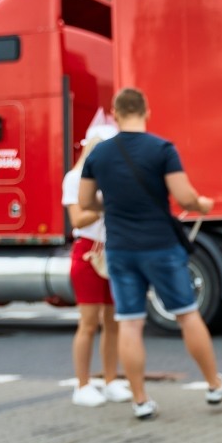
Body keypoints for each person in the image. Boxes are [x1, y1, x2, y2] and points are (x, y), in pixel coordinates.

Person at [79, 87, 222, 420]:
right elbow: (185, 197)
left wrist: (114, 201)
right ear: (146, 111)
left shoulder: (98, 155)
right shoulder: (162, 149)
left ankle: (140, 400)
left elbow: (87, 203)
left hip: (120, 249)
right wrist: (202, 203)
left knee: (130, 323)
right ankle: (213, 384)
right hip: (160, 246)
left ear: (115, 113)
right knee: (187, 314)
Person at [62, 123, 132, 408]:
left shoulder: (114, 177)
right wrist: (104, 202)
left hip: (113, 251)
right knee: (89, 323)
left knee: (113, 322)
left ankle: (111, 380)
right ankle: (82, 384)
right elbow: (77, 220)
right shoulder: (74, 178)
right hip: (88, 253)